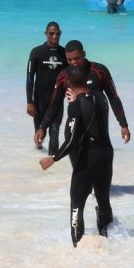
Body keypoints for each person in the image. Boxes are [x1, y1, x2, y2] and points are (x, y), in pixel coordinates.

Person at [39, 65, 114, 247]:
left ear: (69, 84)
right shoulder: (101, 98)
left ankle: (77, 249)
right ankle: (110, 240)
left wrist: (53, 158)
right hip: (106, 155)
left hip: (88, 158)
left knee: (76, 205)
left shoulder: (76, 105)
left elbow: (72, 139)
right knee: (103, 199)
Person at [34, 40, 130, 154]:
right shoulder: (64, 76)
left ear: (84, 54)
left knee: (100, 162)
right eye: (69, 60)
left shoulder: (100, 71)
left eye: (77, 58)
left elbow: (113, 97)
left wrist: (123, 124)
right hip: (76, 127)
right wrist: (42, 127)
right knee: (78, 165)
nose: (73, 62)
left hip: (99, 127)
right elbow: (55, 103)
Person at [26, 21, 68, 154]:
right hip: (39, 101)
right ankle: (37, 163)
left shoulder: (64, 53)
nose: (55, 36)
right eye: (51, 33)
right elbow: (29, 78)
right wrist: (29, 102)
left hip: (56, 102)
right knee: (39, 138)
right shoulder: (36, 52)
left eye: (57, 33)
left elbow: (71, 78)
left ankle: (53, 167)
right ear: (46, 34)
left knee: (54, 135)